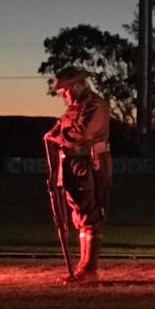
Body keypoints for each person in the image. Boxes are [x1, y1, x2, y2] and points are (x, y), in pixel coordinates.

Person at [43, 67, 112, 283]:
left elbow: (81, 133)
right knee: (80, 215)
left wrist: (58, 138)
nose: (63, 95)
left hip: (90, 163)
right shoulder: (73, 108)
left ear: (78, 86)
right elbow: (58, 129)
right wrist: (52, 135)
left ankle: (90, 269)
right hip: (71, 163)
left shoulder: (95, 105)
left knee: (91, 213)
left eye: (65, 90)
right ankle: (83, 265)